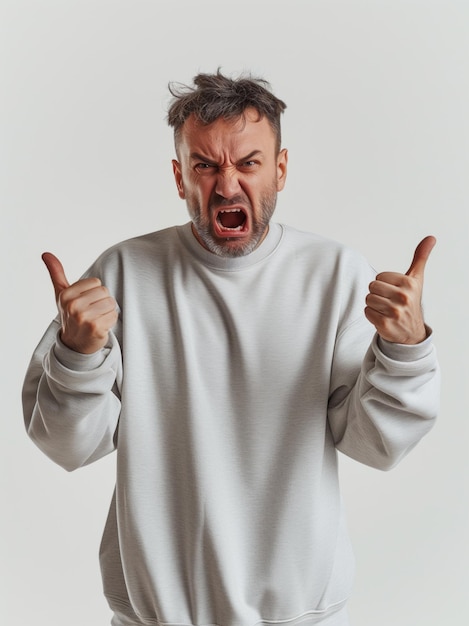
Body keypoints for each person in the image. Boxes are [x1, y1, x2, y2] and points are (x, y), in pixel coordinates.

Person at [22, 70, 440, 626]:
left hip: (301, 616)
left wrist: (404, 349)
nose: (226, 185)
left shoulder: (335, 276)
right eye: (204, 165)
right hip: (156, 617)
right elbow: (67, 445)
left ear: (280, 169)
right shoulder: (122, 274)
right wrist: (75, 356)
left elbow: (377, 445)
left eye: (248, 162)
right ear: (179, 177)